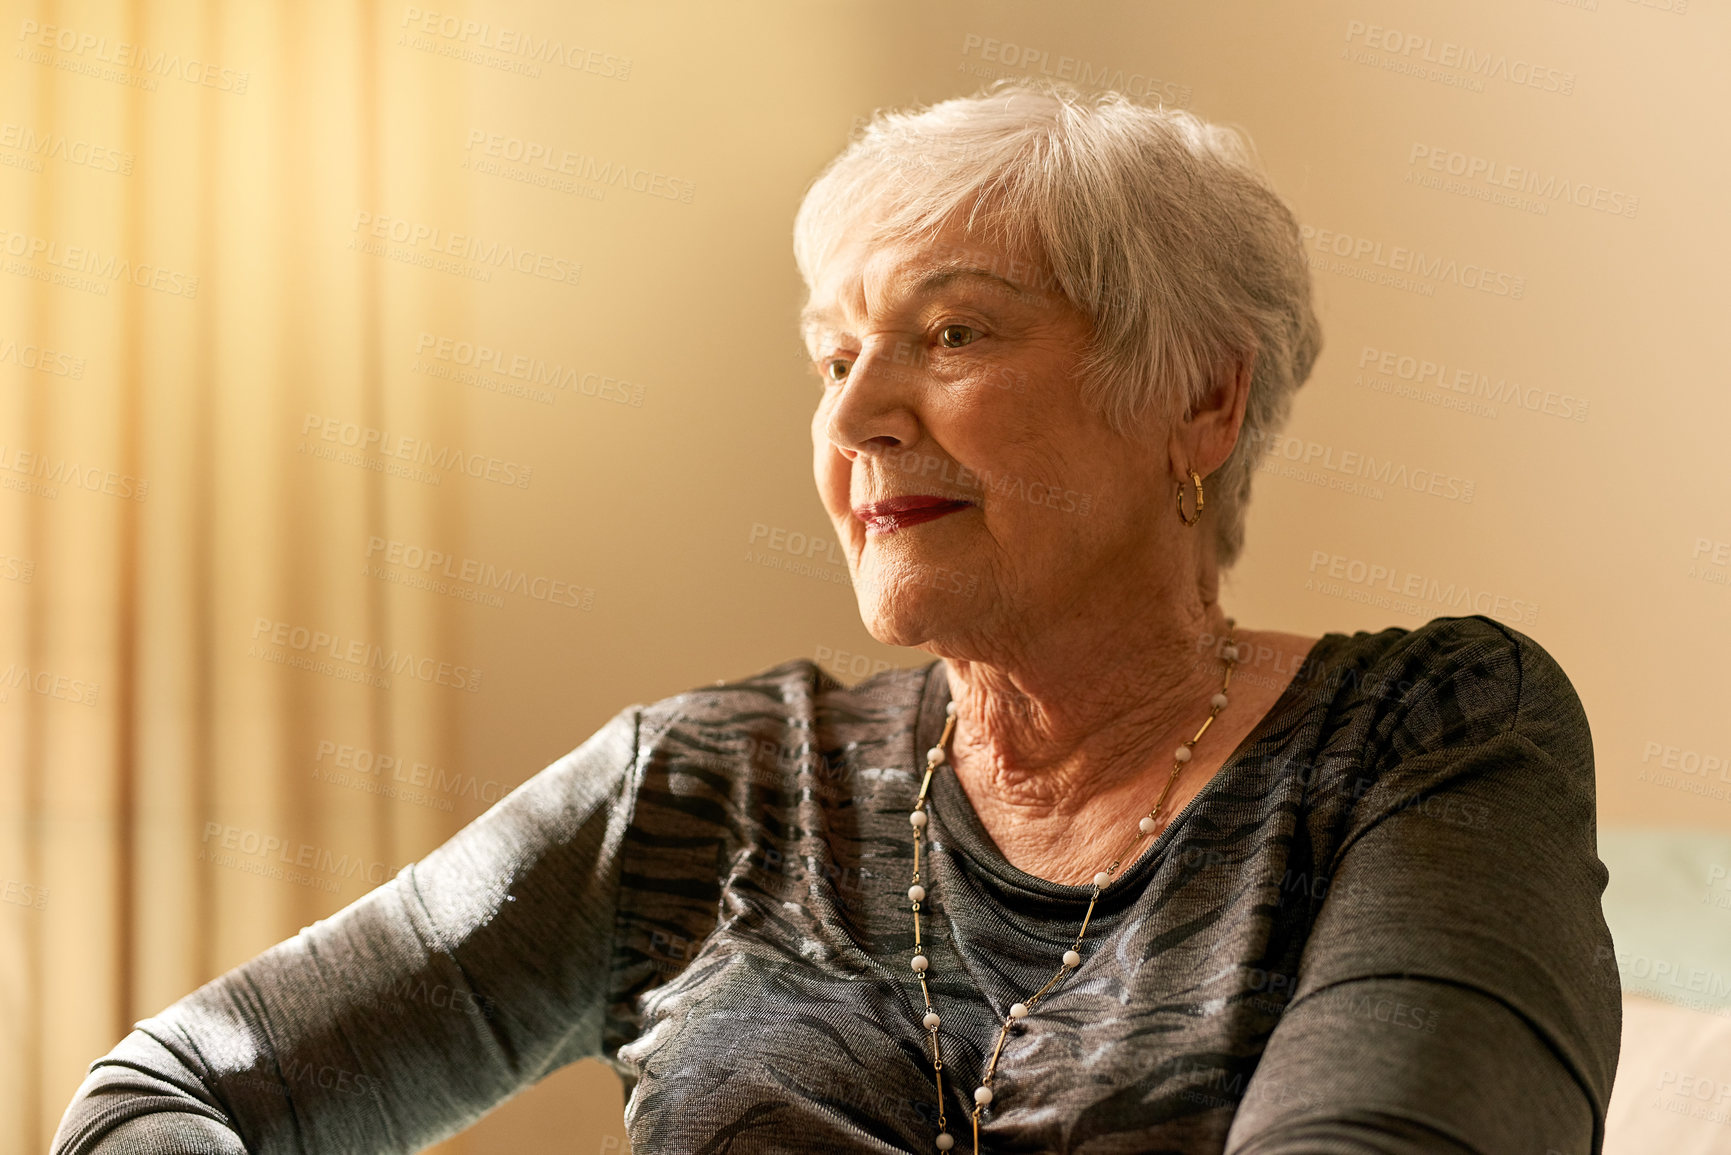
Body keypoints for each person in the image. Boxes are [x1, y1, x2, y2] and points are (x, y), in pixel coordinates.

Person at [53, 81, 1620, 1155]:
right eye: (830, 356)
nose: (859, 414)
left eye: (954, 332)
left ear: (1198, 400)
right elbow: (171, 1087)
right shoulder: (710, 785)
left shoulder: (1433, 736)